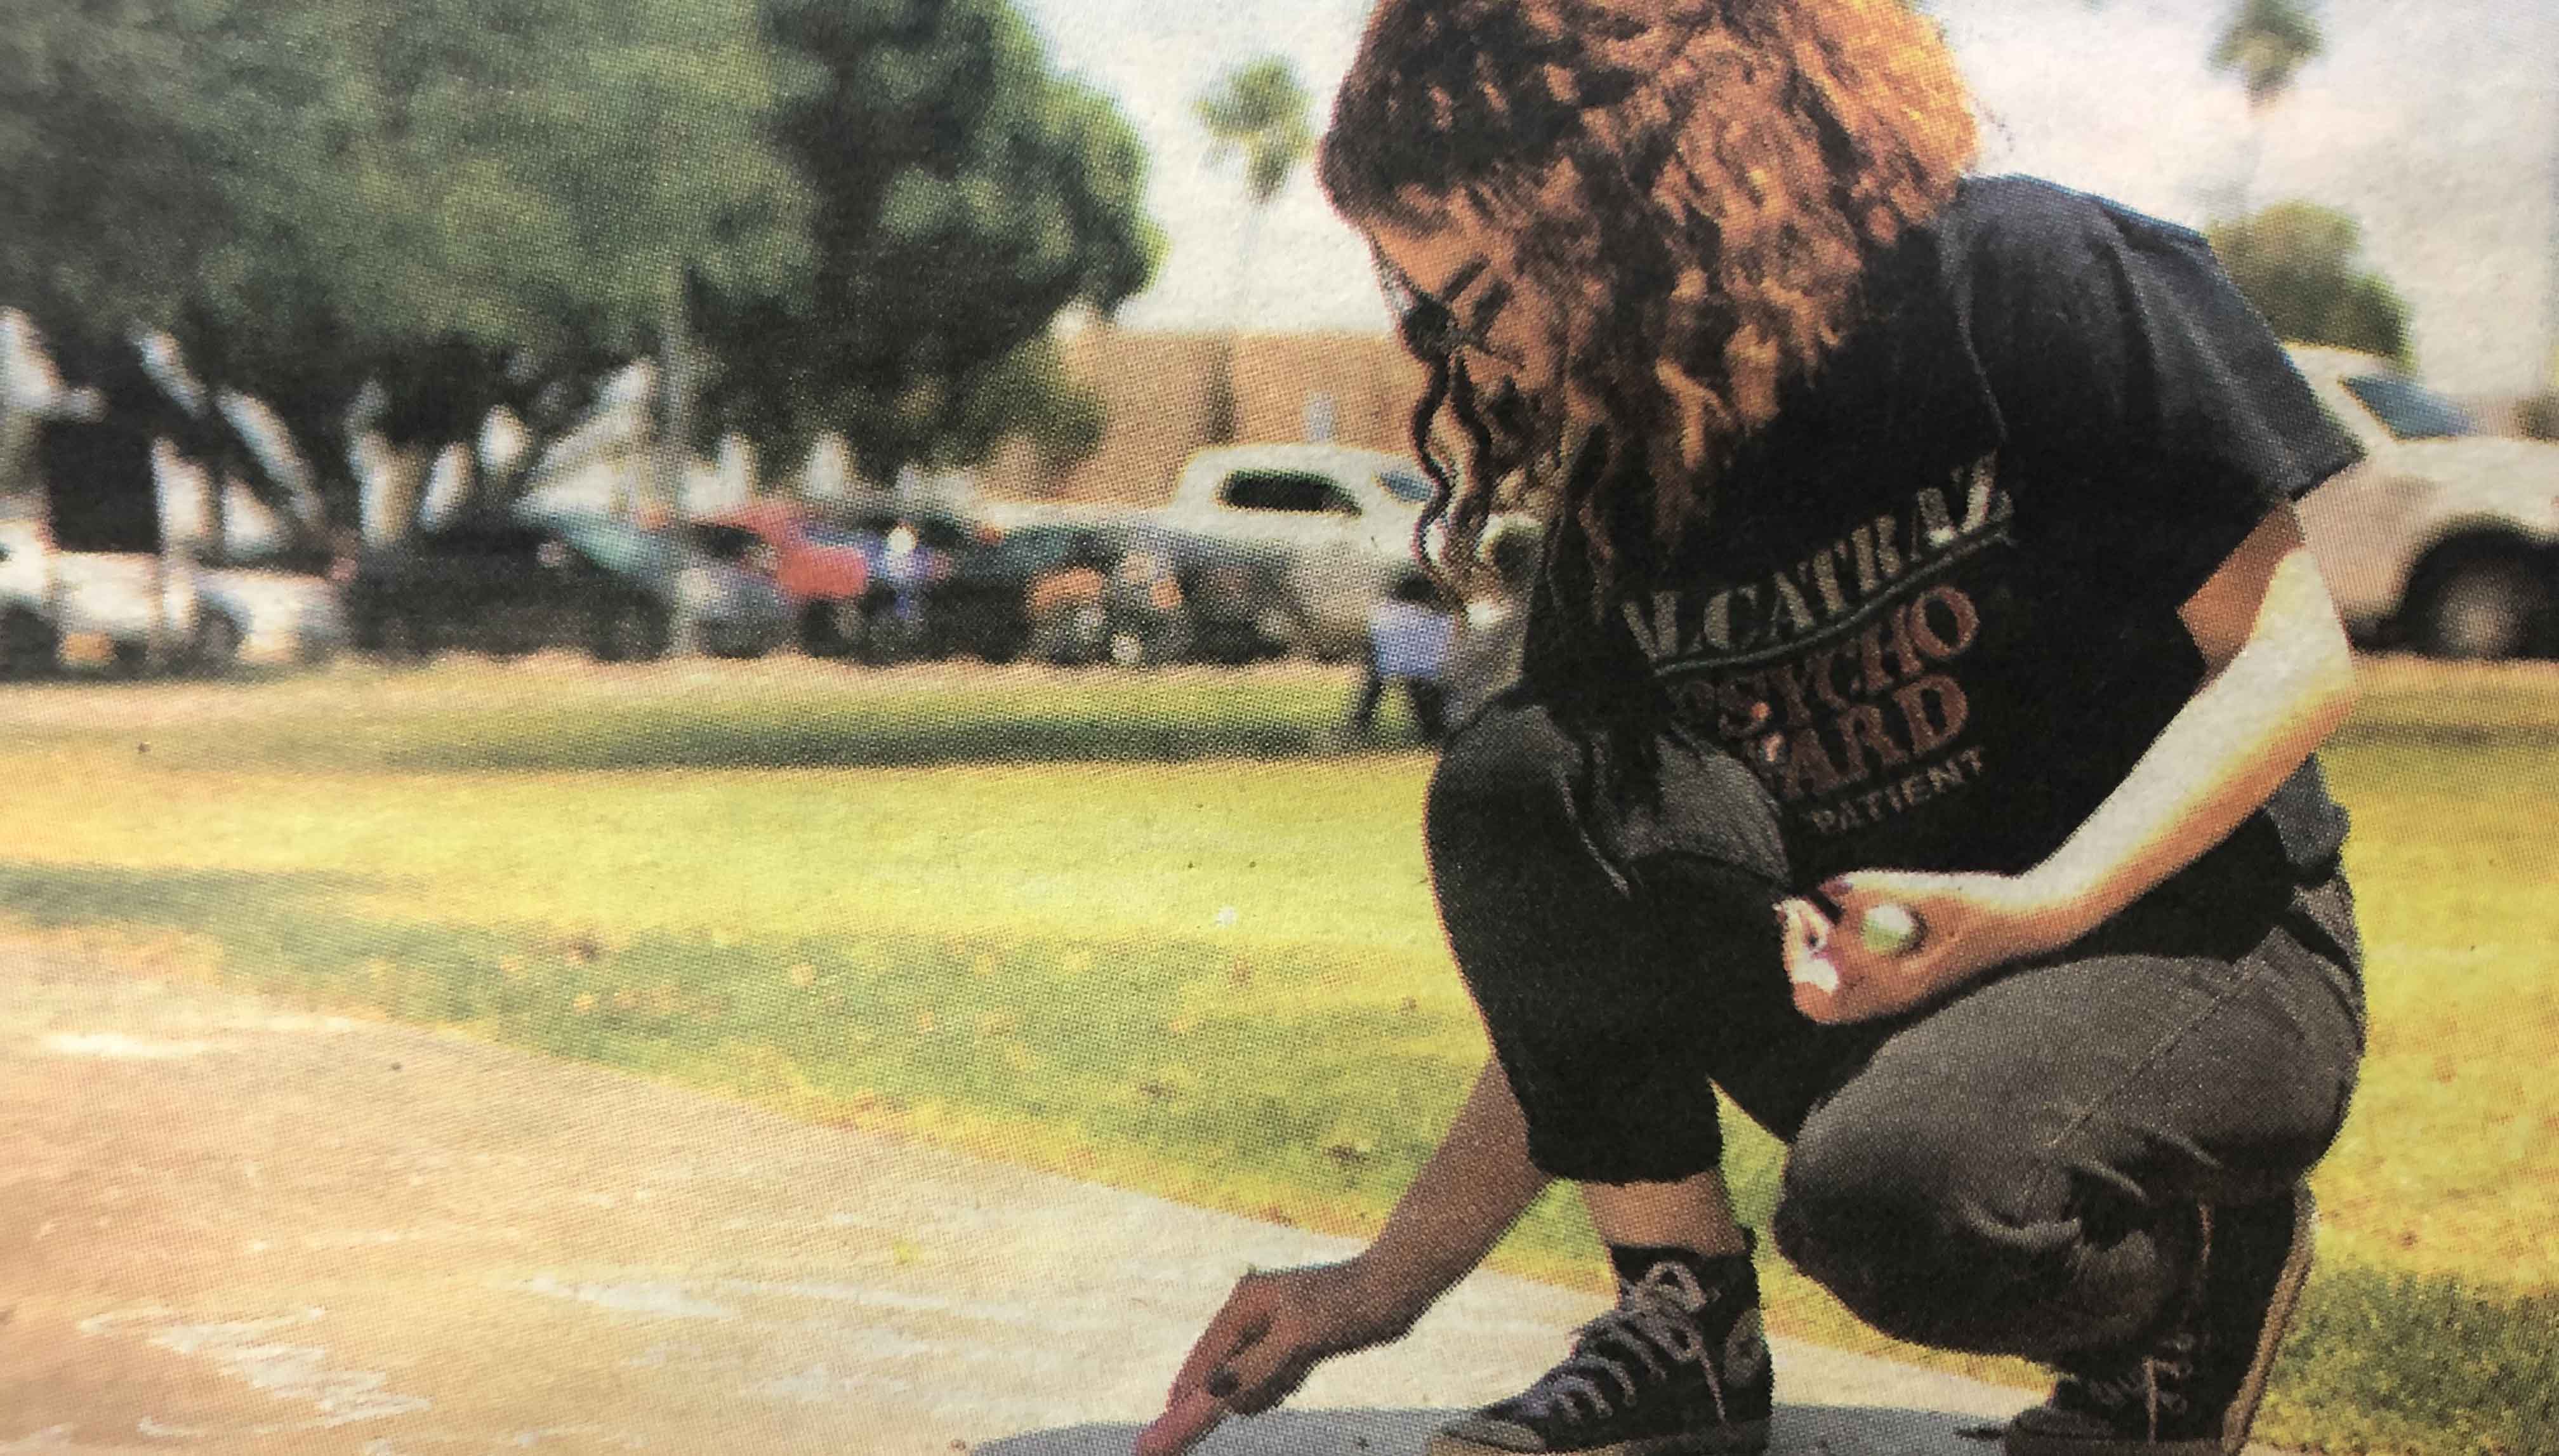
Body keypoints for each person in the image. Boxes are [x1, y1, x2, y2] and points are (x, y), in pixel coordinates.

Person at [1138, 3, 2369, 1456]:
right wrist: (1381, 1283)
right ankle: (1685, 1331)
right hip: (1905, 980)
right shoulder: (1639, 474)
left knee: (1903, 1208)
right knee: (1525, 778)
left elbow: (2294, 657)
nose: (1489, 355)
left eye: (1485, 292)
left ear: (1625, 193)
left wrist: (2039, 908)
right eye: (1438, 321)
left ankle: (2189, 1294)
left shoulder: (2022, 276)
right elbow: (1592, 966)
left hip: (2198, 950)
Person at [1351, 572, 1460, 741]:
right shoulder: (1439, 617)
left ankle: (1361, 723)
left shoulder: (1384, 613)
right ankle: (1433, 731)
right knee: (1427, 692)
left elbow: (1373, 644)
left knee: (1374, 681)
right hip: (1427, 672)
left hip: (1387, 667)